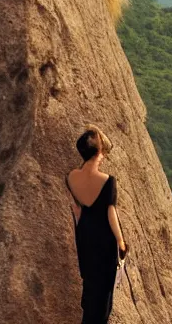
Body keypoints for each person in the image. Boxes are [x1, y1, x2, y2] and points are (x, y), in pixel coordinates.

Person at [65, 125, 127, 324]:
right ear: (99, 152)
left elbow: (78, 209)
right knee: (104, 297)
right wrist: (121, 241)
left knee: (90, 287)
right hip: (104, 240)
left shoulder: (71, 177)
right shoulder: (107, 180)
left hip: (85, 235)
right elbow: (111, 213)